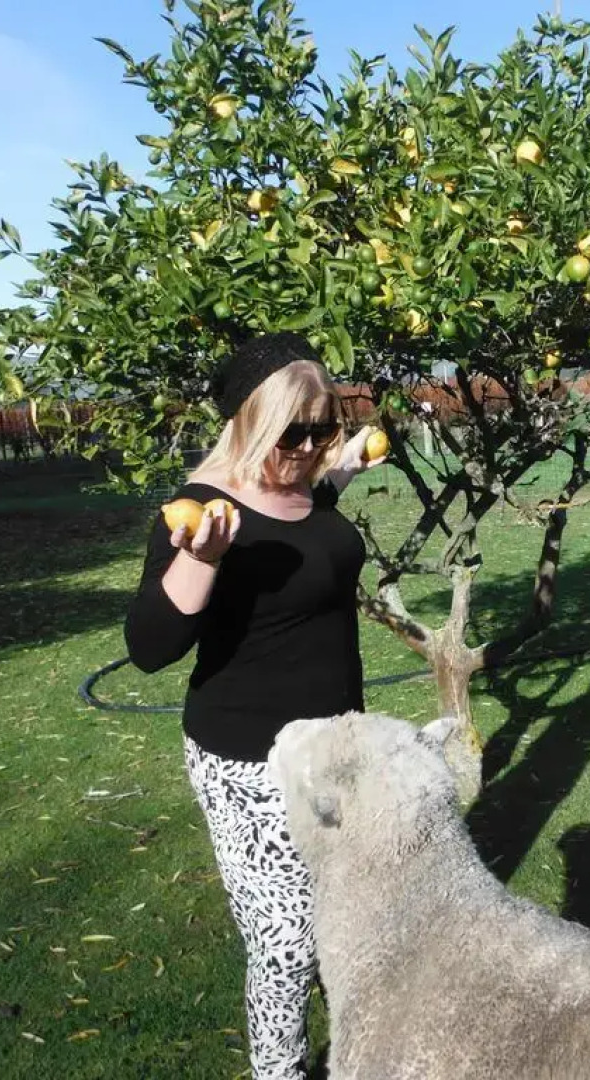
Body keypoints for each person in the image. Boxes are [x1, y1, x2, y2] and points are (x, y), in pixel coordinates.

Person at [124, 332, 384, 1079]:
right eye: (292, 432)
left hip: (338, 746)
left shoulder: (306, 483)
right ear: (250, 425)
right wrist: (200, 561)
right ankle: (280, 1072)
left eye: (322, 426)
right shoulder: (201, 513)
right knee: (286, 943)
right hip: (247, 762)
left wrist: (349, 460)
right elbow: (149, 646)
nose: (308, 446)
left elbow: (308, 515)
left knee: (347, 917)